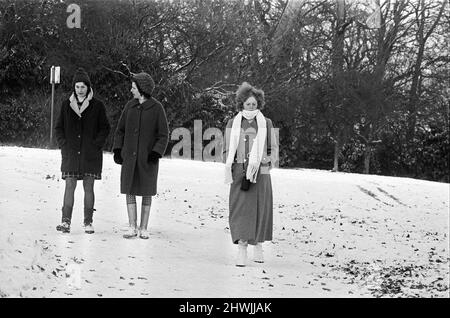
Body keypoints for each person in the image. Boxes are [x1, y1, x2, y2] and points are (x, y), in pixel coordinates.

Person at [223, 82, 278, 266]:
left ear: (259, 104)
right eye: (248, 104)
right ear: (241, 104)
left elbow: (274, 149)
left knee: (261, 208)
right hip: (239, 171)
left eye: (254, 104)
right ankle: (242, 247)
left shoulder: (266, 123)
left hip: (260, 172)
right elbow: (226, 149)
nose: (251, 107)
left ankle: (259, 245)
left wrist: (266, 161)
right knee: (240, 210)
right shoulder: (233, 123)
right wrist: (230, 167)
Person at [112, 72, 169, 239]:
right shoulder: (129, 106)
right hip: (129, 157)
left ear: (142, 89)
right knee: (129, 188)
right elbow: (120, 130)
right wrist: (117, 149)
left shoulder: (157, 108)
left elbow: (163, 134)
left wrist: (156, 152)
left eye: (134, 87)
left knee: (146, 191)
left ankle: (144, 227)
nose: (131, 90)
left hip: (147, 158)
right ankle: (132, 226)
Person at [54, 67, 110, 234]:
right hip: (70, 153)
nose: (80, 90)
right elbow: (59, 128)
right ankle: (65, 221)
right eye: (77, 86)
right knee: (69, 185)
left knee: (88, 187)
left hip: (90, 154)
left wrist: (96, 144)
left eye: (83, 87)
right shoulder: (66, 105)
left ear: (88, 87)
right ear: (74, 87)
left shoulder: (97, 106)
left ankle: (88, 222)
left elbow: (105, 128)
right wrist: (63, 145)